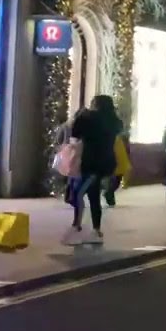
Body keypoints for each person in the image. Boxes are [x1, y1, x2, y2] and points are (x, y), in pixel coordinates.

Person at [64, 95, 123, 245]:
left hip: (90, 164)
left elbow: (75, 133)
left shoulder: (88, 118)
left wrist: (81, 116)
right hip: (105, 163)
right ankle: (96, 231)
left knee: (77, 194)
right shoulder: (114, 121)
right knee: (93, 195)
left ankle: (76, 227)